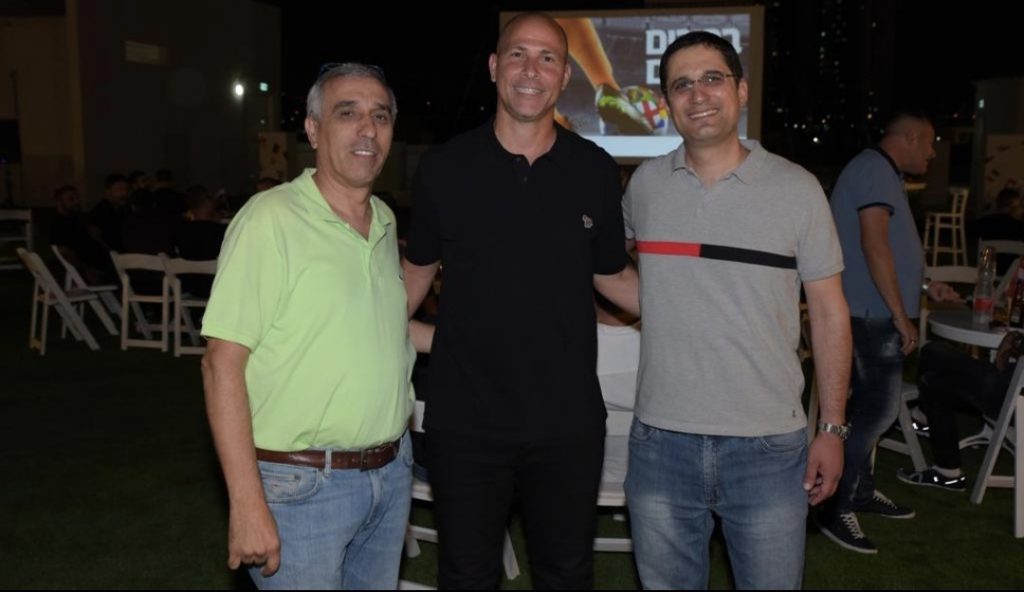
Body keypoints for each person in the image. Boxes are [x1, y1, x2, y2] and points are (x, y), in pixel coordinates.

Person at [401, 13, 639, 589]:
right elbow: (410, 281)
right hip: (466, 422)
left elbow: (613, 275)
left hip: (567, 424)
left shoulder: (594, 170)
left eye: (548, 58)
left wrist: (700, 306)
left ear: (564, 77)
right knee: (466, 576)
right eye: (518, 54)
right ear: (493, 67)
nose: (531, 70)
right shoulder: (444, 168)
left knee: (566, 575)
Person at [621, 31, 851, 589]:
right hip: (659, 443)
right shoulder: (645, 186)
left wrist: (832, 428)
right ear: (666, 102)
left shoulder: (798, 189)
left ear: (741, 90)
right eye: (681, 84)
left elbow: (829, 314)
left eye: (711, 78)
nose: (697, 94)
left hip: (768, 447)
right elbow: (629, 277)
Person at [201, 62, 431, 590]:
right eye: (347, 114)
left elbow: (382, 329)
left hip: (390, 473)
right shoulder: (270, 219)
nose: (368, 129)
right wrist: (246, 503)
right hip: (301, 487)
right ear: (312, 129)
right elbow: (220, 364)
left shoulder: (384, 219)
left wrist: (474, 341)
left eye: (380, 116)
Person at [824, 112, 962, 554]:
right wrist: (902, 316)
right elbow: (874, 245)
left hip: (873, 311)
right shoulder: (873, 169)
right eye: (930, 143)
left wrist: (923, 285)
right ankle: (835, 505)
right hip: (870, 315)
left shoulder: (880, 173)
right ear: (910, 137)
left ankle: (860, 492)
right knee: (878, 413)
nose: (933, 153)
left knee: (869, 410)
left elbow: (889, 251)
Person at [896, 332, 1022, 491]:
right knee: (936, 368)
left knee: (934, 355)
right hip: (1009, 386)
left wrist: (1010, 349)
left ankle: (924, 418)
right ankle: (947, 469)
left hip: (1012, 398)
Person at [49, 184, 115, 285]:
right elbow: (64, 251)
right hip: (88, 270)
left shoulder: (80, 218)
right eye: (71, 199)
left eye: (78, 198)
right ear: (60, 202)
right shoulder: (58, 224)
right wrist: (85, 269)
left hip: (105, 263)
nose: (77, 202)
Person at [87, 173, 131, 251]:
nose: (124, 193)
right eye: (119, 189)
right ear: (107, 191)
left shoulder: (125, 210)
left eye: (126, 189)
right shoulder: (99, 213)